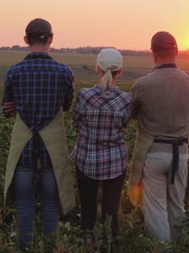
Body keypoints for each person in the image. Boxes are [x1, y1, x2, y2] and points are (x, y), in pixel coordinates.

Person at [1, 18, 76, 251]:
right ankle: (50, 247)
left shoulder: (13, 72)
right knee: (51, 204)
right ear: (51, 39)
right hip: (50, 151)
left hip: (23, 150)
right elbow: (65, 106)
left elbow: (7, 109)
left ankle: (25, 248)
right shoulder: (64, 72)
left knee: (24, 205)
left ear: (25, 40)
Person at [128, 31, 189, 242]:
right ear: (175, 51)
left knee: (155, 209)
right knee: (178, 207)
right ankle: (180, 246)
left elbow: (130, 115)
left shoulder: (142, 84)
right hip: (181, 154)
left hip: (154, 154)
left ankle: (162, 248)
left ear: (153, 53)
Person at [71, 49, 131, 247]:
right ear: (120, 71)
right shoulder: (126, 100)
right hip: (115, 162)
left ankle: (88, 240)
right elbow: (124, 127)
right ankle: (109, 242)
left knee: (88, 205)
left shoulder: (84, 96)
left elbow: (76, 122)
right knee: (111, 207)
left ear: (97, 68)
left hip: (86, 160)